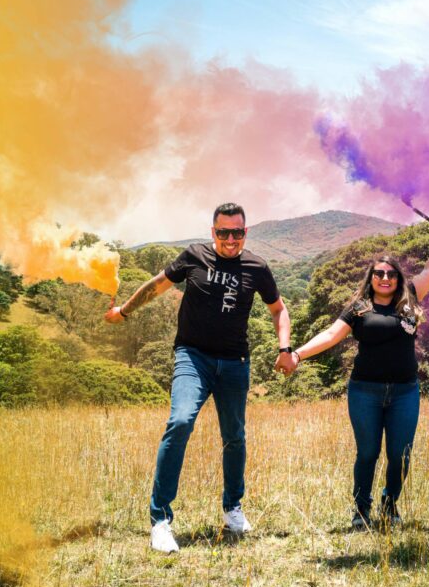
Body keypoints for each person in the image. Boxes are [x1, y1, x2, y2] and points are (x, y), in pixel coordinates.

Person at [105, 203, 295, 553]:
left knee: (234, 435)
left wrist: (285, 348)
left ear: (245, 233)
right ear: (213, 232)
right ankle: (160, 521)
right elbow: (157, 285)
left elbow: (278, 309)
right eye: (223, 232)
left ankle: (232, 508)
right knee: (180, 422)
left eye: (237, 232)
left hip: (235, 362)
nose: (230, 239)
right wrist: (125, 312)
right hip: (192, 357)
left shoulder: (257, 267)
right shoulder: (194, 256)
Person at [289, 219, 429, 529]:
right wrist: (297, 354)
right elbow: (331, 334)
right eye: (379, 274)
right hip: (365, 392)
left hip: (405, 391)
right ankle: (361, 510)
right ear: (371, 277)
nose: (385, 278)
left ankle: (390, 506)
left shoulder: (410, 297)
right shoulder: (359, 308)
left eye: (390, 273)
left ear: (397, 277)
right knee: (368, 453)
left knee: (400, 454)